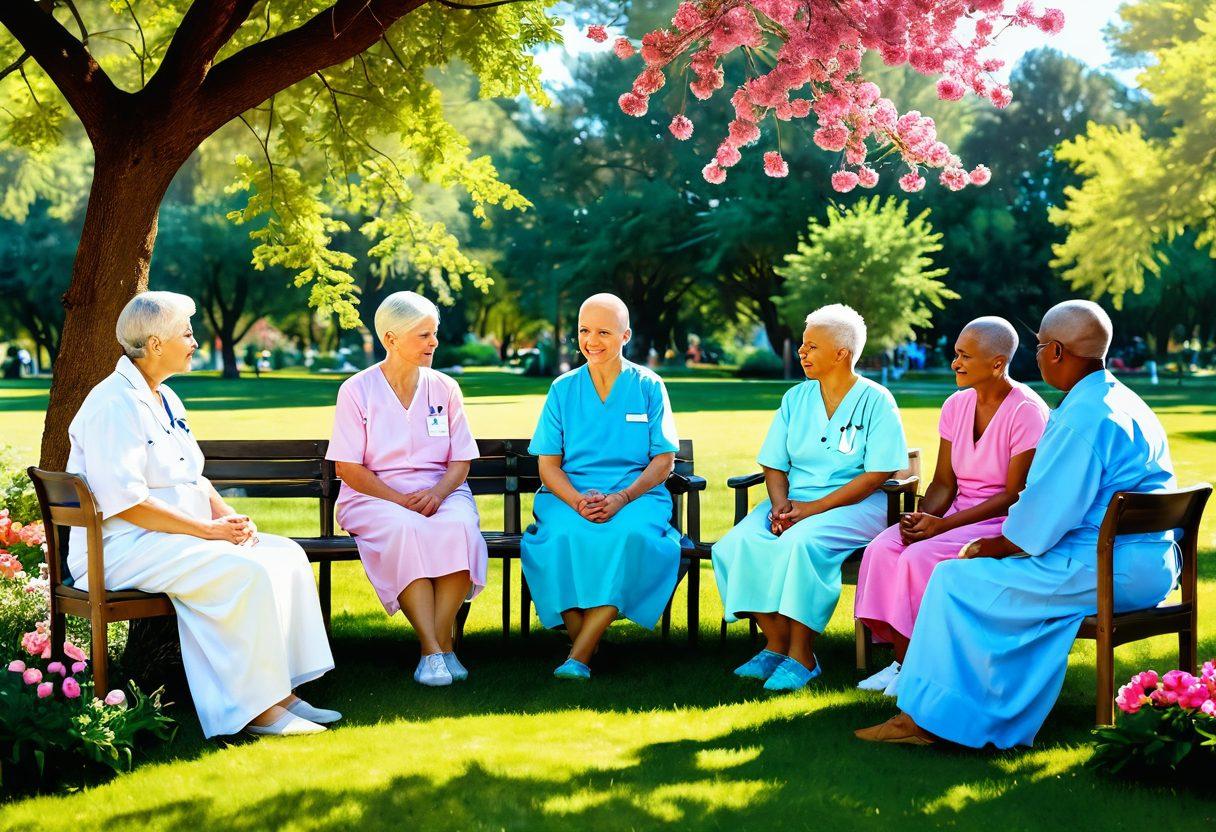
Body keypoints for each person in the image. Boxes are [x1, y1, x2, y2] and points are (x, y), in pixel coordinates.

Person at [857, 300, 1179, 747]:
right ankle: (968, 702)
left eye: (1041, 346)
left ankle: (925, 721)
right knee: (972, 580)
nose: (1038, 355)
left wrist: (990, 547)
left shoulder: (1083, 419)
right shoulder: (1122, 401)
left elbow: (1042, 515)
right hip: (1149, 564)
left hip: (1106, 567)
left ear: (1057, 352)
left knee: (952, 578)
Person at [67, 291, 337, 738]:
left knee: (285, 554)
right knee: (243, 572)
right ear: (155, 344)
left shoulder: (167, 397)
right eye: (187, 334)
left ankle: (282, 693)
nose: (195, 343)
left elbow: (192, 477)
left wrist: (231, 518)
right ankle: (255, 710)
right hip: (121, 548)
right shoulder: (112, 405)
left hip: (171, 539)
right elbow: (128, 503)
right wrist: (208, 532)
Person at [712, 304, 908, 691]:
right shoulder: (795, 398)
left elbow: (877, 475)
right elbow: (773, 463)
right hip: (795, 502)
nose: (801, 352)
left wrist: (810, 511)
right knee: (735, 545)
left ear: (841, 353)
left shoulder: (876, 400)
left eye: (811, 346)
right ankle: (776, 643)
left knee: (800, 544)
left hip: (858, 505)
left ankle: (803, 656)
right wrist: (780, 506)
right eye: (803, 345)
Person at [853, 317, 1049, 695]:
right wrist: (923, 517)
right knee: (883, 548)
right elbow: (944, 482)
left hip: (1001, 523)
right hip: (957, 516)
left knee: (917, 558)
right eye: (956, 354)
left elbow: (1014, 495)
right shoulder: (956, 405)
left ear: (997, 363)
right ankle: (903, 661)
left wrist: (942, 527)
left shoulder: (1026, 410)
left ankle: (914, 668)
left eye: (965, 356)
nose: (955, 363)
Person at [327, 291, 487, 687]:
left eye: (434, 333)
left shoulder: (445, 387)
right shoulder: (356, 390)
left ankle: (440, 647)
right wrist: (400, 501)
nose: (434, 342)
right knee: (406, 528)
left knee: (460, 527)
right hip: (374, 496)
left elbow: (461, 460)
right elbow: (348, 468)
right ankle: (434, 650)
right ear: (391, 338)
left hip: (441, 491)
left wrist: (438, 494)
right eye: (423, 335)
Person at [521, 293, 682, 680]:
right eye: (584, 330)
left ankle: (579, 654)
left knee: (630, 535)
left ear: (625, 335)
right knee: (559, 536)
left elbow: (664, 461)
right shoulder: (562, 389)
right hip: (568, 495)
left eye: (604, 332)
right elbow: (548, 466)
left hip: (636, 496)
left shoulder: (648, 385)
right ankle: (588, 647)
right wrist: (578, 501)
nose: (591, 341)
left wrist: (622, 498)